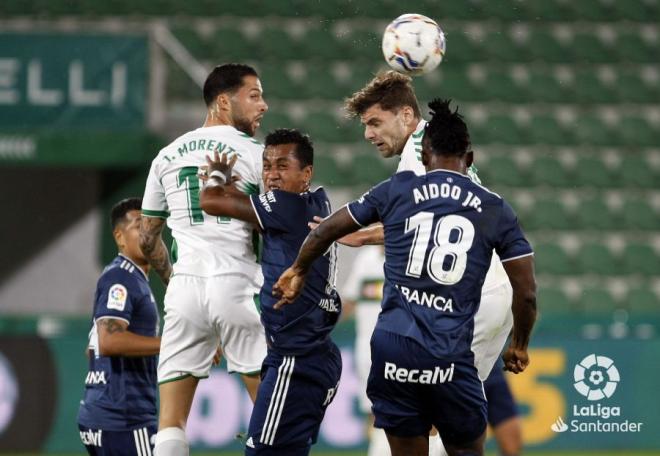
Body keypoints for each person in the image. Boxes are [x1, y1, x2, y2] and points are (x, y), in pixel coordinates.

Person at [275, 99, 537, 456]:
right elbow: (526, 293)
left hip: (393, 352)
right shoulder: (494, 208)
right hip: (450, 353)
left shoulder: (397, 190)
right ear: (470, 160)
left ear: (424, 156)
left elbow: (325, 231)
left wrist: (298, 269)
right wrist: (519, 344)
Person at [139, 63, 268, 456]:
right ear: (224, 102)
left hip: (185, 288)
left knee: (171, 424)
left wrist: (175, 278)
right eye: (255, 95)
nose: (264, 105)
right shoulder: (257, 155)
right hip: (239, 282)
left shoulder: (166, 155)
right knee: (271, 416)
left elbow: (147, 237)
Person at [199, 128, 342, 456]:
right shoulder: (314, 201)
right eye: (266, 166)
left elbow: (212, 200)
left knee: (261, 452)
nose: (272, 176)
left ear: (306, 173)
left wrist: (218, 171)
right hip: (313, 354)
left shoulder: (285, 206)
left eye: (282, 166)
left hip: (296, 360)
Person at [343, 247, 523, 456]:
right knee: (396, 428)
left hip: (468, 350)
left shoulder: (431, 248)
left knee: (507, 442)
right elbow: (349, 300)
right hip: (399, 356)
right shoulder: (369, 259)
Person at [77, 197, 161, 455]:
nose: (147, 233)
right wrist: (176, 343)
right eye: (139, 226)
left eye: (151, 226)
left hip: (104, 414)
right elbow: (109, 341)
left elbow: (92, 348)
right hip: (124, 418)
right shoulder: (122, 278)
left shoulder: (129, 276)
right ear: (119, 237)